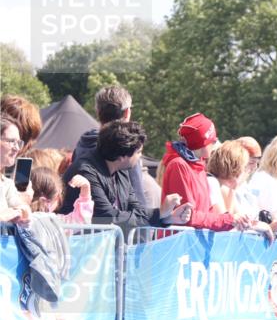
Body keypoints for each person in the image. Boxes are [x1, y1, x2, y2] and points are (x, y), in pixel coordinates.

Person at [61, 120, 191, 233]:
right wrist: (160, 212)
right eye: (138, 152)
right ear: (122, 156)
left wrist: (167, 217)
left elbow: (136, 208)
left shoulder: (121, 168)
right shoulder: (86, 171)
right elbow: (107, 217)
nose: (140, 156)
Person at [63, 86, 144, 215]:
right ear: (127, 112)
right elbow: (108, 213)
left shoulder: (81, 146)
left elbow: (134, 203)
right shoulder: (126, 151)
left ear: (98, 111)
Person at [162, 113, 247, 231]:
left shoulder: (199, 166)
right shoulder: (179, 165)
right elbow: (187, 216)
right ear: (202, 143)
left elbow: (207, 211)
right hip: (176, 243)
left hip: (192, 243)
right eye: (213, 140)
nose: (215, 144)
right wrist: (228, 220)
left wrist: (232, 220)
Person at [29, 167, 93, 224]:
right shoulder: (57, 223)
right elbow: (82, 219)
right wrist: (85, 188)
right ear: (57, 196)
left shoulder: (21, 220)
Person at [1, 115, 31, 223]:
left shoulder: (6, 183)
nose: (17, 148)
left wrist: (23, 211)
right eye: (11, 141)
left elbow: (22, 209)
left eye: (18, 143)